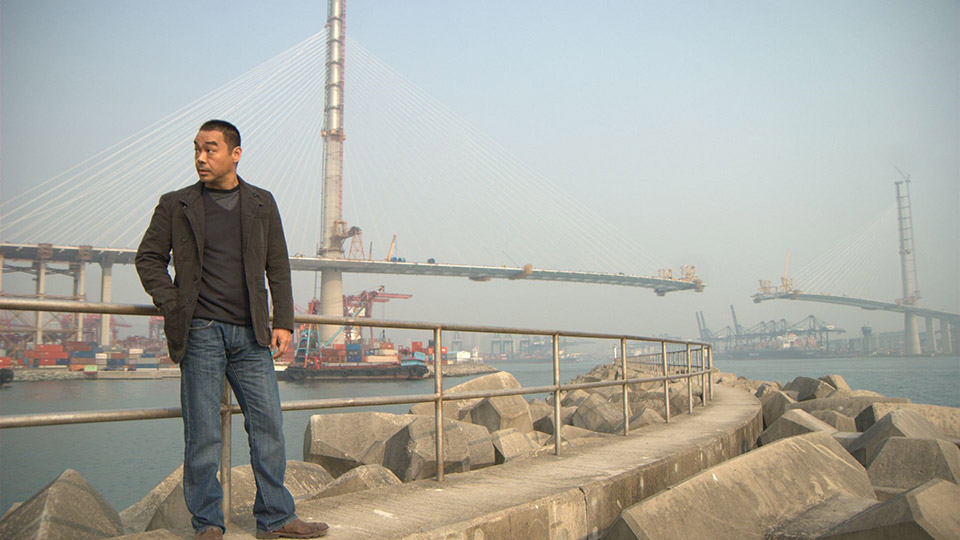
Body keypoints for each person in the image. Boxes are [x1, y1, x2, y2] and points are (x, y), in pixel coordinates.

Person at [136, 120, 328, 540]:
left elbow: (278, 265)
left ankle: (276, 518)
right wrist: (172, 305)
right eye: (196, 150)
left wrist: (284, 322)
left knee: (269, 427)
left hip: (252, 336)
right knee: (203, 434)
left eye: (210, 149)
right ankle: (208, 524)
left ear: (235, 154)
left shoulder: (262, 203)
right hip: (200, 332)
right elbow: (148, 259)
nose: (201, 158)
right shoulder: (176, 204)